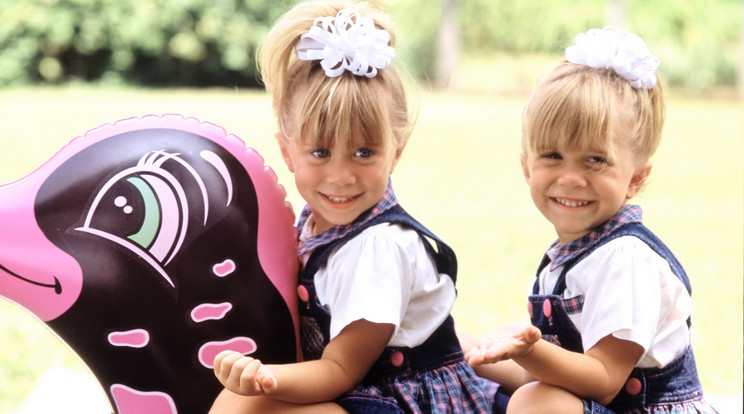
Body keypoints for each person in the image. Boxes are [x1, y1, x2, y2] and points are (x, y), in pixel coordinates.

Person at [209, 1, 499, 413]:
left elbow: (340, 370)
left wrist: (267, 377)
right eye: (321, 152)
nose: (341, 175)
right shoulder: (311, 224)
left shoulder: (380, 246)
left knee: (248, 402)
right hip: (363, 391)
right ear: (287, 152)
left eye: (363, 152)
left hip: (405, 400)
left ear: (396, 151)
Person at [464, 27, 719, 413]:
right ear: (527, 168)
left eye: (595, 160)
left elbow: (602, 379)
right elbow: (545, 375)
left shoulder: (625, 259)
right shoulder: (570, 258)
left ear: (635, 178)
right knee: (491, 391)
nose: (570, 178)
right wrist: (465, 346)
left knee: (538, 402)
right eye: (552, 155)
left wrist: (530, 349)